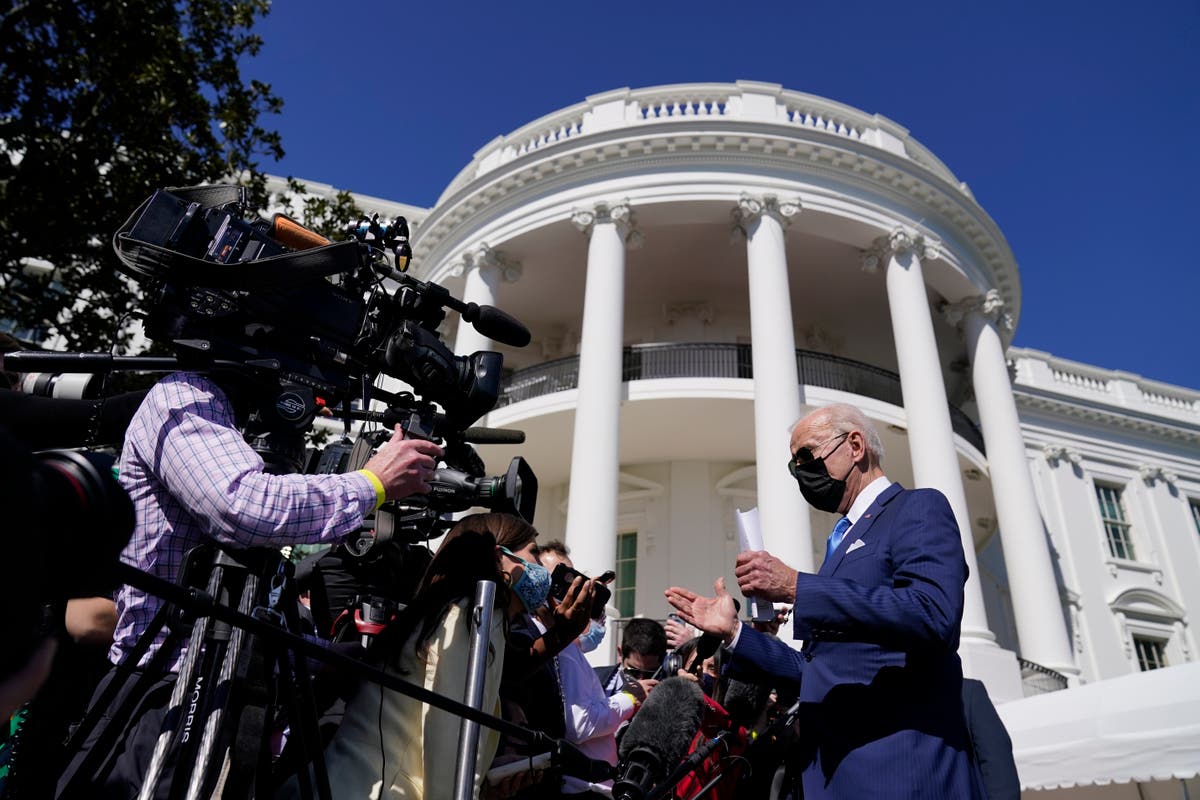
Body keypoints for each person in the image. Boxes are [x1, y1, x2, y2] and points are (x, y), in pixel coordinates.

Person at [61, 370, 443, 799]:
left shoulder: (240, 419)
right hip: (166, 690)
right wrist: (371, 484)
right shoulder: (185, 395)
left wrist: (332, 660)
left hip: (236, 700)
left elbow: (252, 610)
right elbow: (243, 508)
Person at [666, 403, 985, 799]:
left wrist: (798, 586)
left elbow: (933, 613)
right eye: (793, 465)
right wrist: (734, 634)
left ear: (855, 445)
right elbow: (819, 671)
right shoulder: (841, 542)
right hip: (835, 776)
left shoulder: (916, 508)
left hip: (901, 772)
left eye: (807, 456)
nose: (801, 471)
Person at [283, 514, 516, 800]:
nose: (538, 569)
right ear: (499, 556)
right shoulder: (474, 613)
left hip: (337, 783)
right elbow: (450, 742)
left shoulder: (436, 610)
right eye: (532, 555)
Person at [538, 543, 636, 798]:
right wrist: (630, 699)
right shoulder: (560, 648)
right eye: (559, 578)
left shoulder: (568, 647)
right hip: (580, 788)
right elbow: (579, 724)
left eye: (574, 579)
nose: (573, 589)